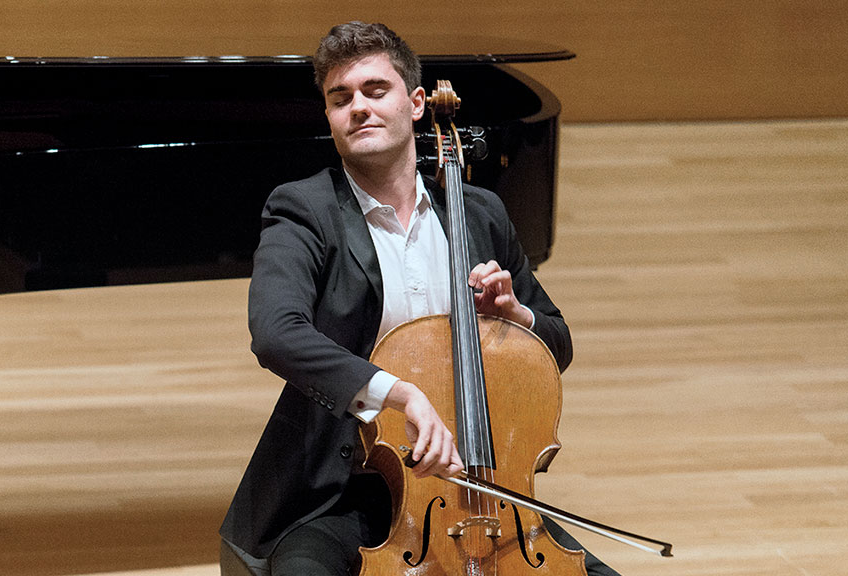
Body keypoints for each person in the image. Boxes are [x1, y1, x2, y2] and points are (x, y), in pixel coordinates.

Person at [220, 21, 619, 576]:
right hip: (340, 491)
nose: (357, 106)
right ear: (330, 118)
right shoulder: (303, 210)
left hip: (477, 487)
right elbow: (276, 333)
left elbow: (558, 341)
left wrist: (514, 318)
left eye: (374, 90)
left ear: (414, 104)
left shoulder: (479, 213)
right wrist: (400, 394)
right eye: (341, 99)